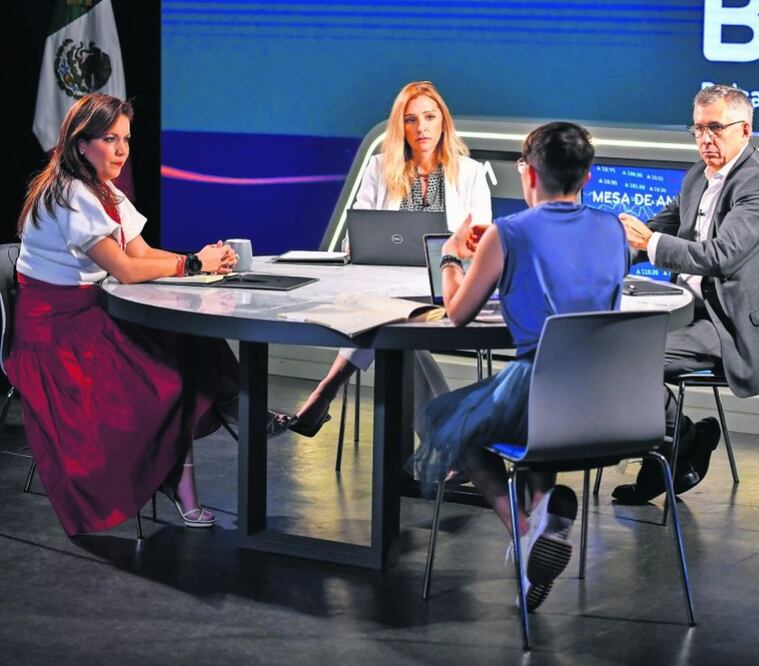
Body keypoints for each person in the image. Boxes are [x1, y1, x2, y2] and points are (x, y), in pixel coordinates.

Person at [8, 93, 285, 536]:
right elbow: (125, 268)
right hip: (54, 335)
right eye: (109, 139)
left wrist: (197, 262)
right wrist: (193, 264)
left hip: (86, 315)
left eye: (126, 139)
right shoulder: (70, 193)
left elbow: (141, 251)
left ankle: (240, 410)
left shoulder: (102, 187)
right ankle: (187, 467)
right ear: (82, 144)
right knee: (172, 380)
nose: (121, 150)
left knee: (192, 337)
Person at [415, 121, 628, 611]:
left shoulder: (508, 233)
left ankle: (527, 531)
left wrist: (451, 258)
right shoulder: (614, 228)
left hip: (542, 395)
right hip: (608, 401)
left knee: (454, 424)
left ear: (528, 174)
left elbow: (459, 313)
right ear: (587, 176)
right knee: (512, 416)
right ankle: (542, 519)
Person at [613, 84, 759, 505]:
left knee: (625, 359)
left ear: (744, 129)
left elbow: (721, 256)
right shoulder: (699, 174)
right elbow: (660, 224)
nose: (704, 140)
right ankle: (682, 442)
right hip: (689, 310)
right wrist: (611, 254)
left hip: (730, 322)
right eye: (697, 130)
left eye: (715, 128)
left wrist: (650, 244)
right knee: (611, 346)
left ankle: (672, 447)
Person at [291, 80, 492, 436]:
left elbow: (480, 243)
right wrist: (359, 246)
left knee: (387, 325)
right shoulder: (380, 166)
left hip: (444, 287)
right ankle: (449, 441)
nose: (422, 127)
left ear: (443, 122)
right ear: (401, 127)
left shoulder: (471, 172)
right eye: (411, 119)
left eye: (429, 117)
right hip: (383, 286)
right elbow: (359, 232)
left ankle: (326, 389)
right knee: (395, 329)